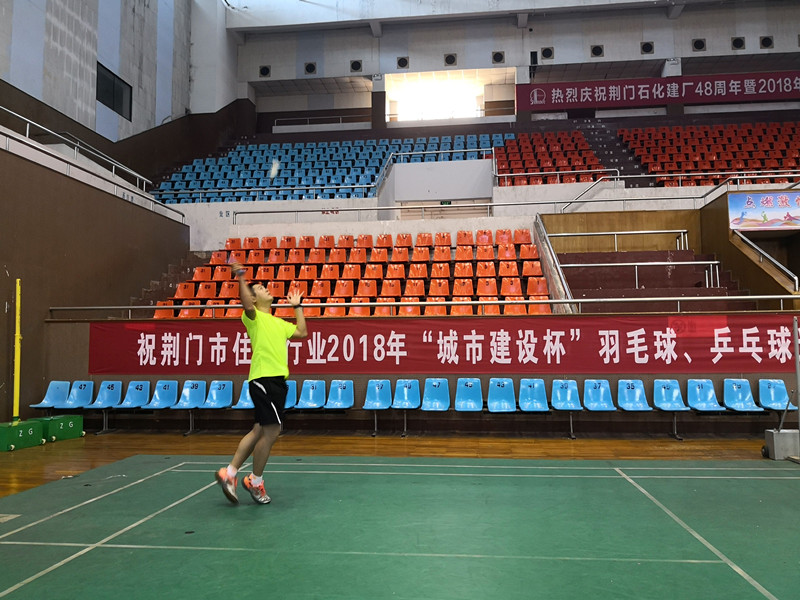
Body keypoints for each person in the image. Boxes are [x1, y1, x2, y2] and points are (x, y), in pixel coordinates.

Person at [215, 261, 307, 504]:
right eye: (260, 289)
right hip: (264, 379)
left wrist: (297, 307)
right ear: (254, 299)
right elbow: (246, 304)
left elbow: (302, 332)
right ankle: (255, 481)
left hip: (277, 382)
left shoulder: (278, 323)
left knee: (259, 430)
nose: (266, 288)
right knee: (273, 430)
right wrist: (241, 277)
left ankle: (230, 473)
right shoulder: (253, 318)